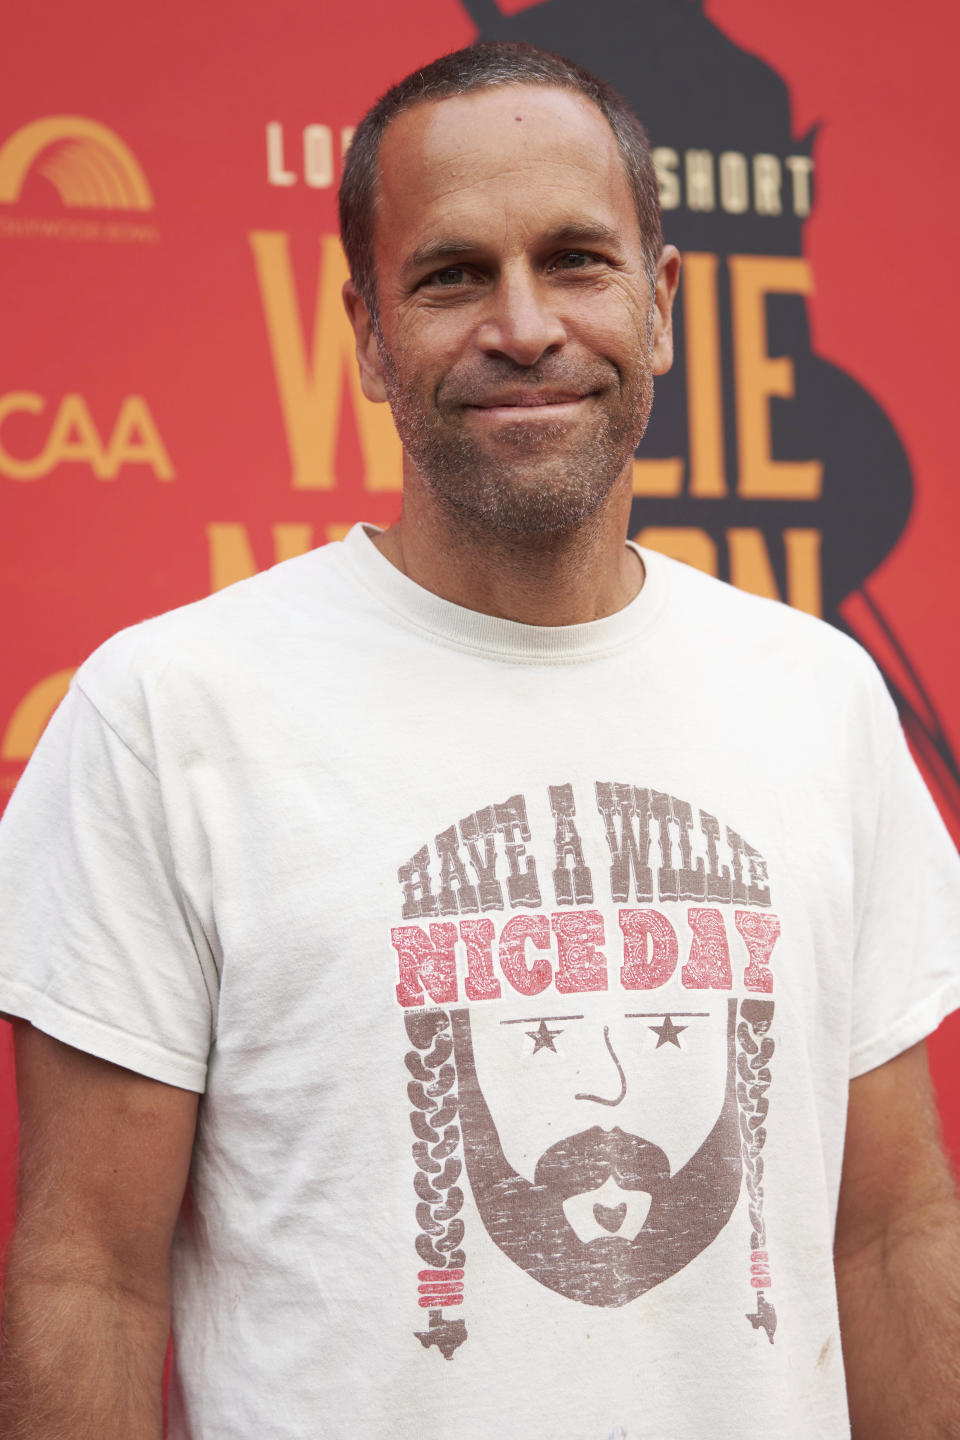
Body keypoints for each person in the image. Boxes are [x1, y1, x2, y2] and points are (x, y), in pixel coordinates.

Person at [1, 39, 959, 1440]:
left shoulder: (819, 695)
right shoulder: (170, 711)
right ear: (370, 333)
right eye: (452, 275)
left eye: (578, 259)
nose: (524, 325)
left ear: (665, 299)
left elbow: (889, 1234)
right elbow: (88, 1276)